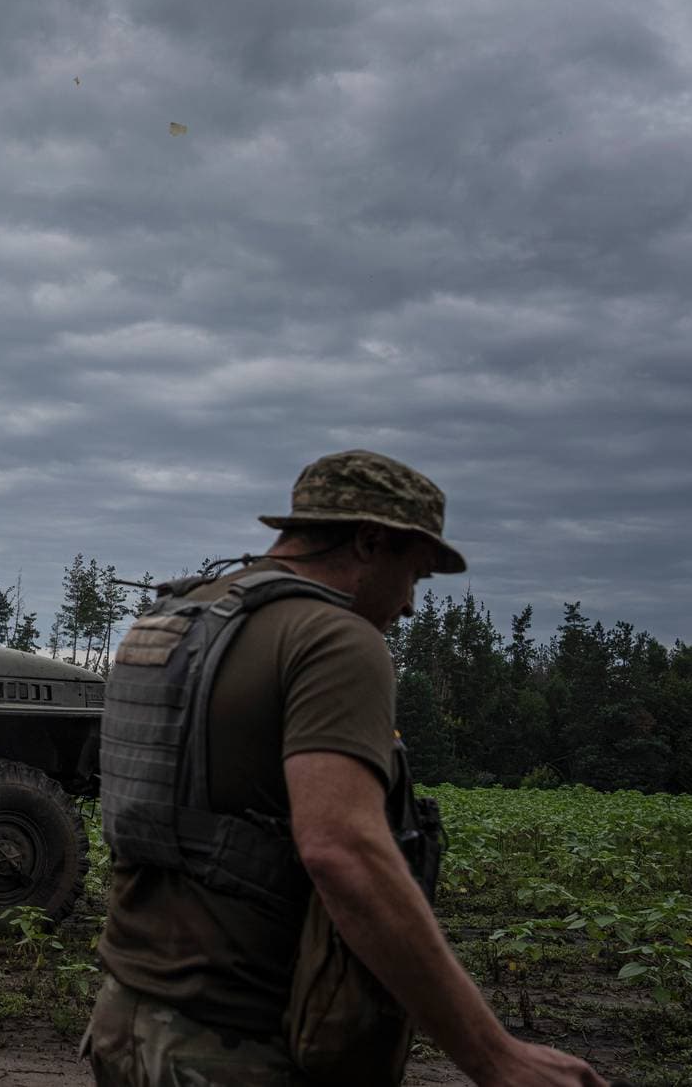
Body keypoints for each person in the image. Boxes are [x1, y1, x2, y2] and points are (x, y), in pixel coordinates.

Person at [83, 450, 605, 1087]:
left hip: (124, 1022)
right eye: (414, 573)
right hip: (238, 1048)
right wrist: (495, 1056)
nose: (411, 604)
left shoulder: (173, 619)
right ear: (368, 541)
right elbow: (343, 851)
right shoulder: (333, 638)